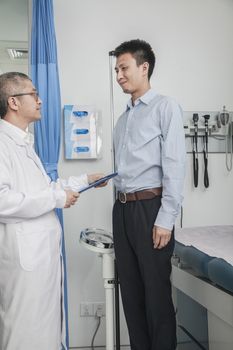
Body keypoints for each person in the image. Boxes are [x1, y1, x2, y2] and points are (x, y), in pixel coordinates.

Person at [0, 72, 105, 350]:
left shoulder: (23, 142)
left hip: (41, 257)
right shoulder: (2, 143)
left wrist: (84, 181)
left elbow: (44, 188)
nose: (40, 100)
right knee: (24, 333)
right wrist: (56, 198)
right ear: (13, 102)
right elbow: (3, 201)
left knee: (43, 332)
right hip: (26, 261)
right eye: (33, 94)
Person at [112, 39, 186, 350]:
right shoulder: (123, 119)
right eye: (116, 69)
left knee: (156, 294)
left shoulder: (165, 107)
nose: (119, 75)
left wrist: (165, 219)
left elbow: (174, 164)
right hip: (122, 209)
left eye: (124, 68)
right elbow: (128, 168)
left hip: (151, 209)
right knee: (130, 293)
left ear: (144, 68)